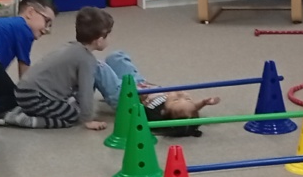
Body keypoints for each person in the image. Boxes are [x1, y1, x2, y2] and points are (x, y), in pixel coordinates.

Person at [0, 6, 112, 130]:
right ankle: (26, 120)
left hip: (23, 92)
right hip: (34, 96)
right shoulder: (87, 60)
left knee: (69, 106)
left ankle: (21, 110)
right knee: (73, 116)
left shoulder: (71, 47)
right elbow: (86, 91)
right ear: (99, 40)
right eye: (108, 35)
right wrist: (88, 119)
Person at [93, 50, 221, 137]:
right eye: (187, 99)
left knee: (98, 66)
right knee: (116, 57)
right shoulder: (179, 109)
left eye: (175, 100)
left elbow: (136, 112)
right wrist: (203, 103)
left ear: (164, 112)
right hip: (139, 82)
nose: (180, 94)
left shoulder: (154, 113)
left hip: (122, 95)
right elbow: (191, 110)